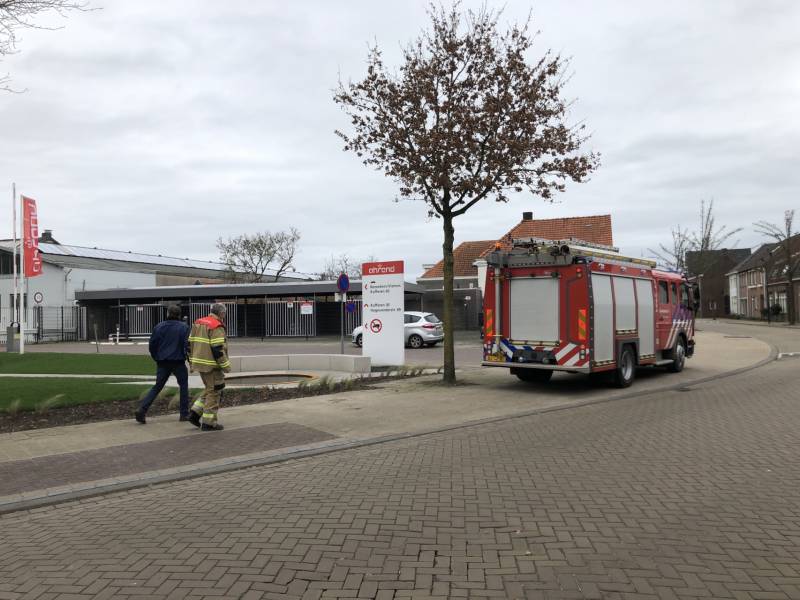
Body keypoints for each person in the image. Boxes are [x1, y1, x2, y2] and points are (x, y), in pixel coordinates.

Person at [134, 304, 190, 424]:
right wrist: (189, 360)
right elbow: (187, 346)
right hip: (178, 361)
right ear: (179, 315)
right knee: (183, 386)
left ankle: (142, 409)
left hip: (162, 361)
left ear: (168, 314)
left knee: (157, 387)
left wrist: (157, 358)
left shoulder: (159, 327)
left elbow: (152, 345)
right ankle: (184, 414)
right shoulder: (184, 327)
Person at [187, 303, 231, 431]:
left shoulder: (199, 322)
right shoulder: (216, 326)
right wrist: (226, 366)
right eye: (224, 314)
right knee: (215, 391)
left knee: (209, 389)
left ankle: (194, 414)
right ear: (222, 313)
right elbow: (218, 349)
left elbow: (189, 345)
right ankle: (209, 423)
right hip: (212, 366)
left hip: (199, 364)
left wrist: (191, 362)